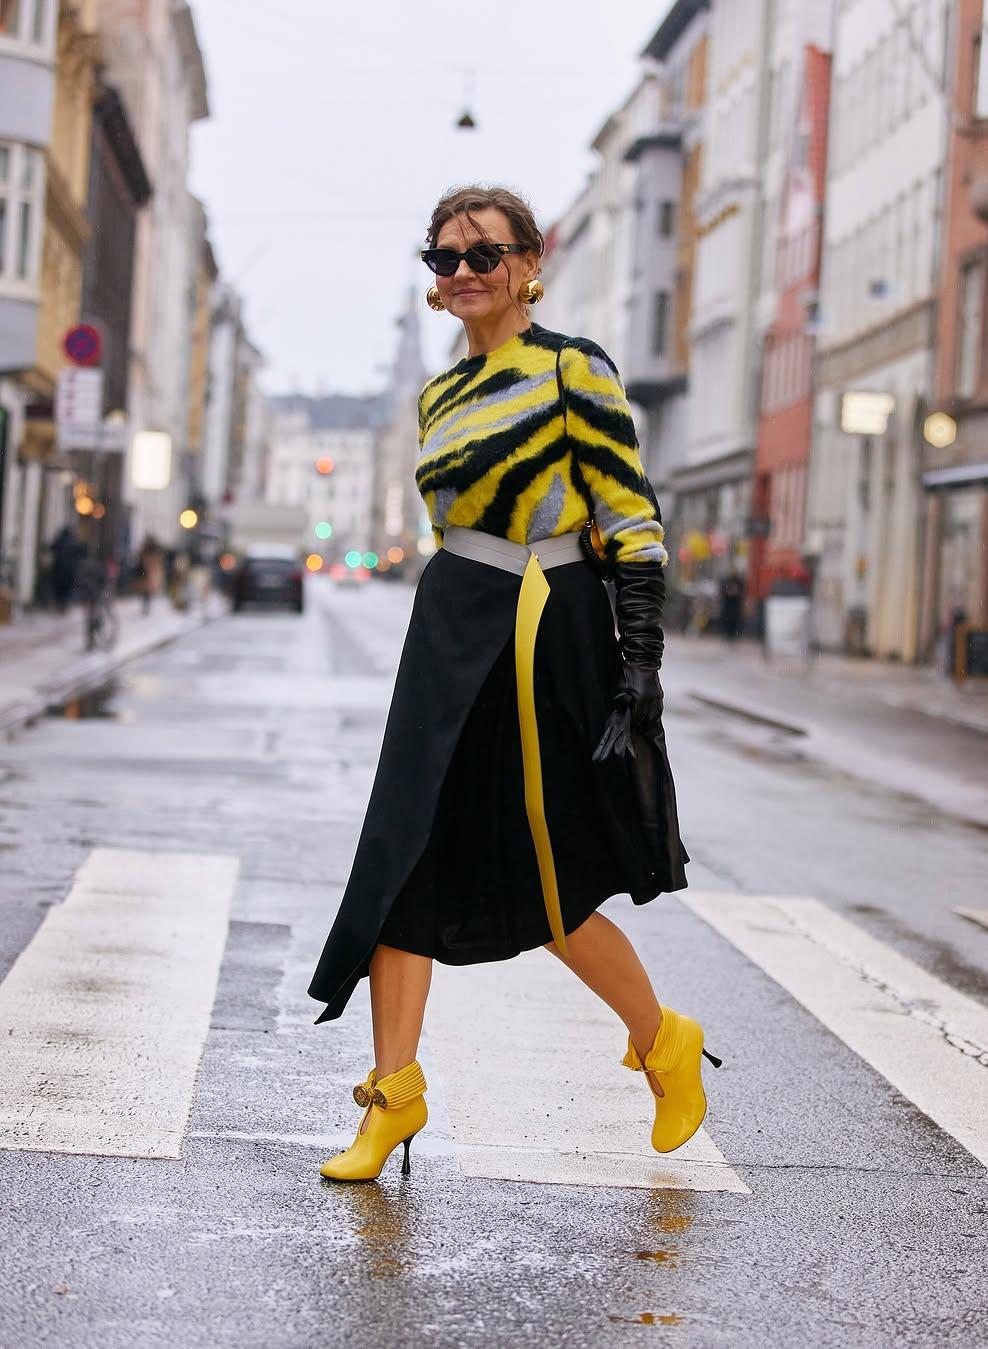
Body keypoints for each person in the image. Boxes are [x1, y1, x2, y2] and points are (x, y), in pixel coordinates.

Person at [308, 185, 720, 1183]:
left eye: (483, 254)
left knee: (548, 875)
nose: (462, 273)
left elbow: (629, 514)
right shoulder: (439, 394)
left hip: (544, 622)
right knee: (399, 858)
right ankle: (393, 1095)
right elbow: (451, 524)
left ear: (529, 263)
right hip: (450, 621)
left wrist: (639, 660)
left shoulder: (575, 366)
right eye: (444, 258)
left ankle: (663, 1041)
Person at [48, 524, 84, 613]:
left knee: (59, 589)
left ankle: (60, 605)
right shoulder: (74, 541)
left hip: (59, 570)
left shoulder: (60, 540)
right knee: (67, 589)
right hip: (70, 571)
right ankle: (64, 606)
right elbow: (81, 552)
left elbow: (52, 548)